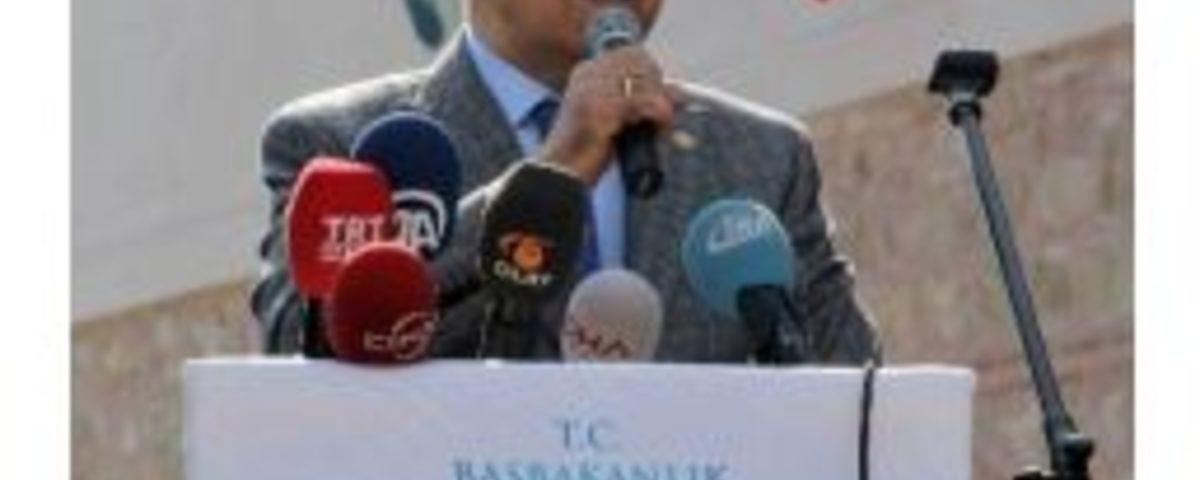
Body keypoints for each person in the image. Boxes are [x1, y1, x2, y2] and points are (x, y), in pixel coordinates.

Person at [251, 0, 880, 363]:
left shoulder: (762, 158)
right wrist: (546, 181)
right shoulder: (341, 145)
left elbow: (858, 403)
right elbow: (301, 362)